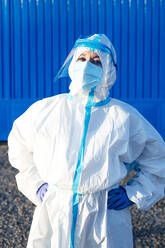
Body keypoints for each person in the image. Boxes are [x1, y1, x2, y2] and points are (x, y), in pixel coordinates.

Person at [8, 34, 165, 248]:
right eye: (82, 58)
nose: (87, 66)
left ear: (108, 70)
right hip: (55, 210)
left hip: (104, 215)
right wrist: (35, 185)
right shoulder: (47, 110)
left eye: (96, 61)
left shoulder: (124, 117)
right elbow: (19, 146)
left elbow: (158, 161)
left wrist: (133, 192)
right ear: (72, 64)